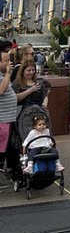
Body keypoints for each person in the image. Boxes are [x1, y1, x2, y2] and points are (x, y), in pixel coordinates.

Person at [0, 43, 18, 174]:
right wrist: (8, 74)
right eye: (6, 61)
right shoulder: (4, 75)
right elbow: (1, 90)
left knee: (4, 147)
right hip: (2, 119)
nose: (9, 63)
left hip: (7, 118)